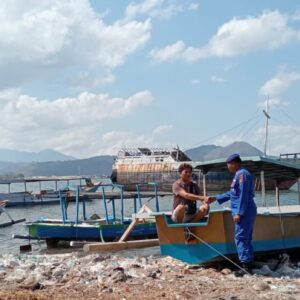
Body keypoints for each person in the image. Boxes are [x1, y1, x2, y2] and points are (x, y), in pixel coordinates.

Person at [209, 154, 257, 276]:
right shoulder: (238, 175)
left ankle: (246, 266)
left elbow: (243, 196)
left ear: (235, 163)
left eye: (229, 164)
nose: (228, 166)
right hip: (244, 210)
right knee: (245, 237)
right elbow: (233, 193)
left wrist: (239, 213)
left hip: (244, 211)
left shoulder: (242, 174)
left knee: (241, 237)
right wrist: (216, 198)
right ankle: (249, 263)